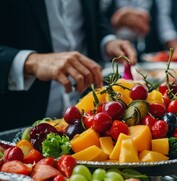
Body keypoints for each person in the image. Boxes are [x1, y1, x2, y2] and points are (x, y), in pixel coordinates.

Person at [0, 0, 137, 131]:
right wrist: (30, 61)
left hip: (90, 122)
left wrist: (107, 42)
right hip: (18, 124)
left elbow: (94, 17)